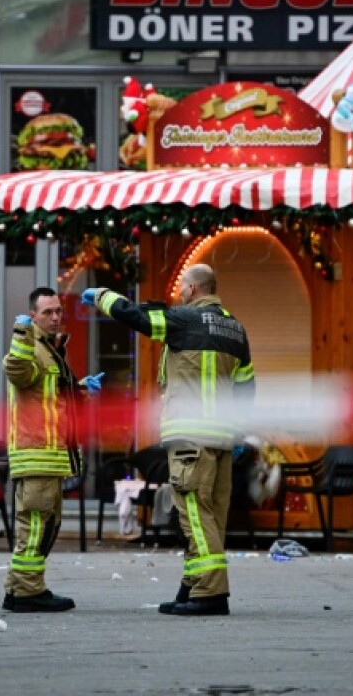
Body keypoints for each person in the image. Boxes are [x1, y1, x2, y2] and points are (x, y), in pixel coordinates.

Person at [82, 264, 254, 617]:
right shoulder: (236, 329)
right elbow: (246, 390)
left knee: (193, 512)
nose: (179, 294)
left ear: (192, 289)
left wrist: (101, 296)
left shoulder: (185, 320)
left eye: (181, 289)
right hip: (221, 439)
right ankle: (191, 586)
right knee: (209, 517)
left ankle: (209, 594)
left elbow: (138, 318)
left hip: (191, 436)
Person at [2, 286, 103, 613]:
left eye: (59, 310)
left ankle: (16, 588)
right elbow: (17, 372)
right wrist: (20, 333)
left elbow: (51, 397)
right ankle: (29, 592)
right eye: (48, 312)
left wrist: (80, 389)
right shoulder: (29, 344)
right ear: (32, 316)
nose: (56, 317)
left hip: (50, 454)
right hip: (37, 452)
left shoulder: (50, 349)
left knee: (45, 524)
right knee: (36, 525)